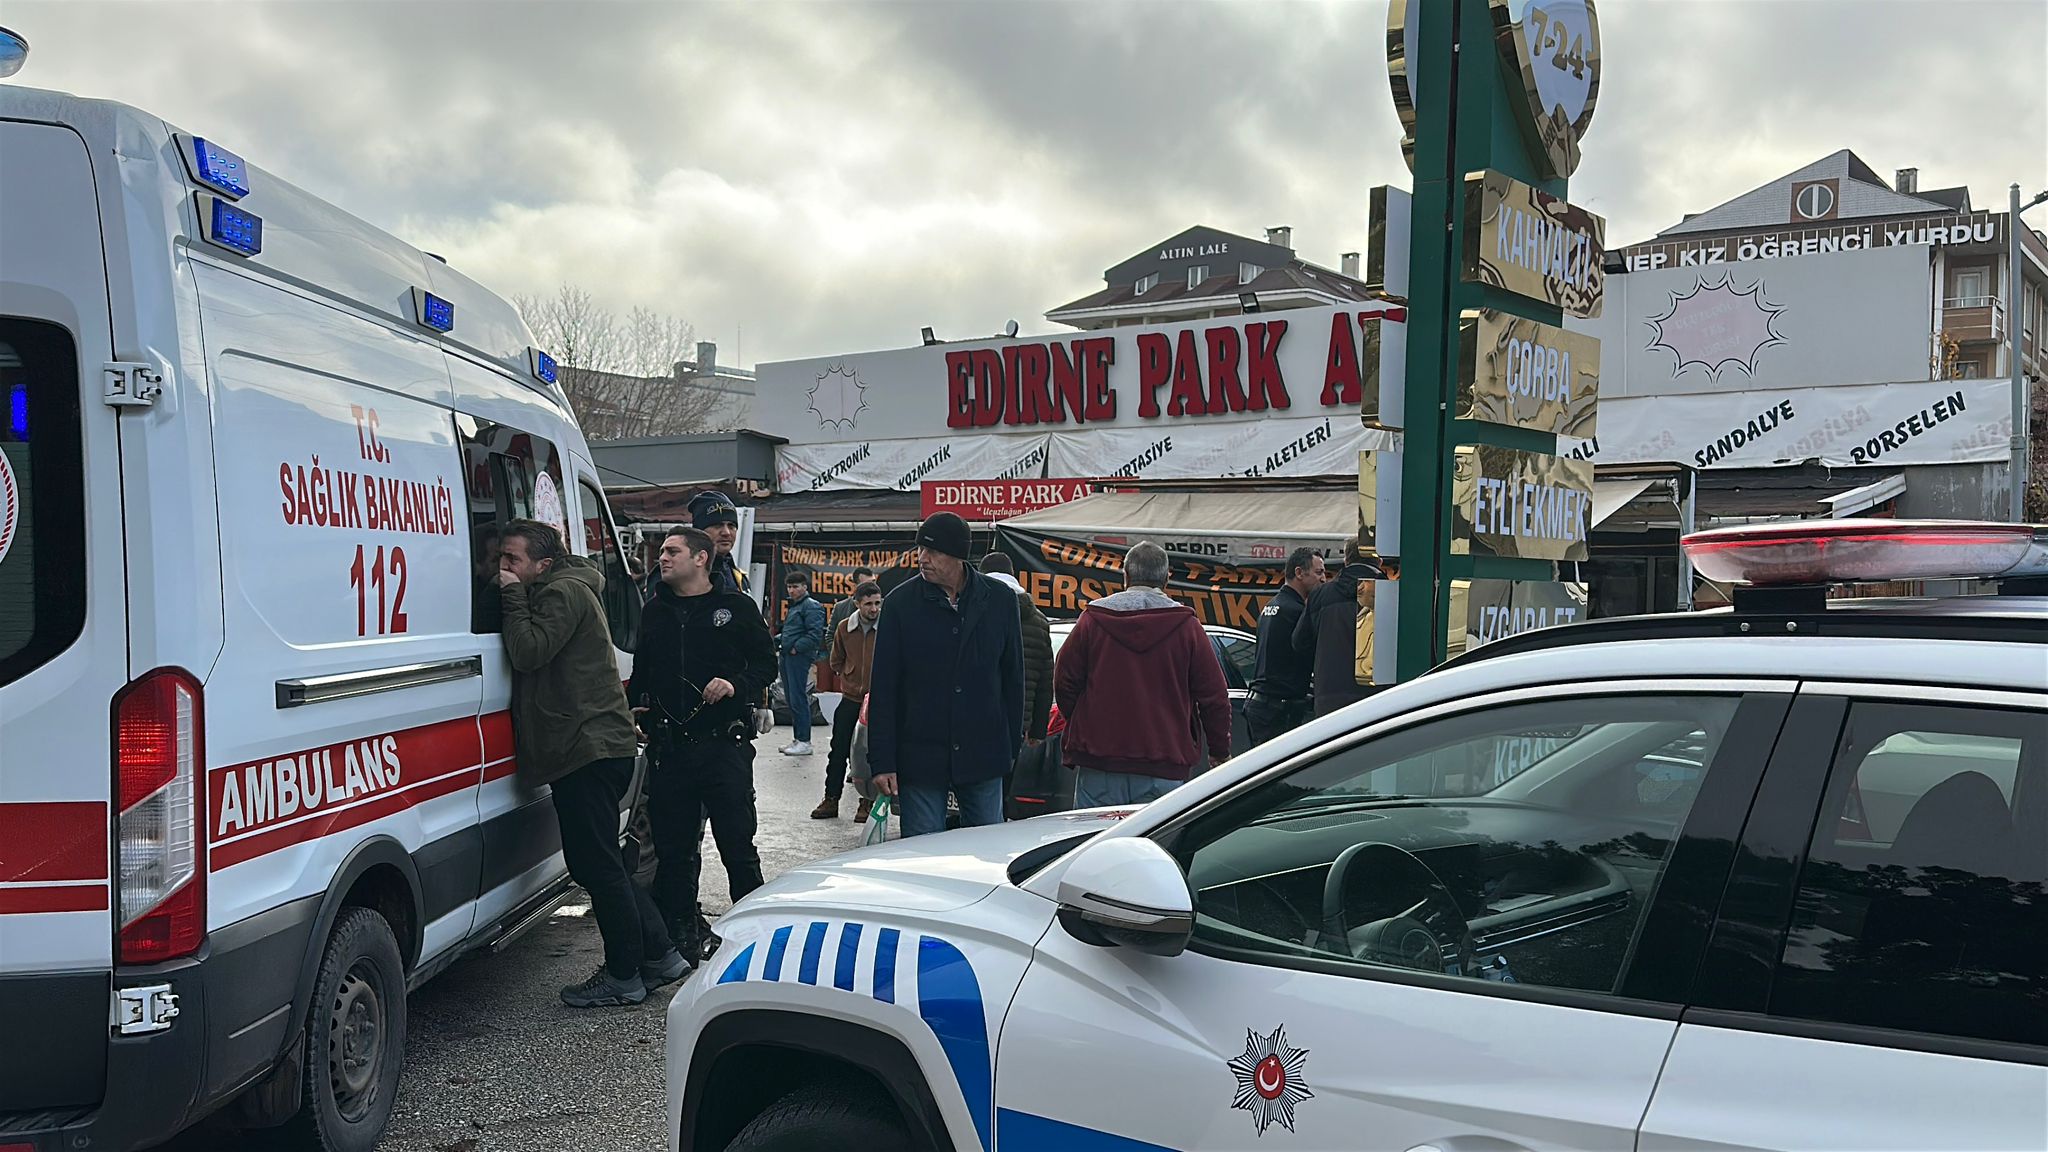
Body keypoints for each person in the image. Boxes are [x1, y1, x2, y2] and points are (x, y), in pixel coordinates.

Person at [495, 519, 686, 1008]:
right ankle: (660, 954)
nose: (504, 568)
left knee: (596, 864)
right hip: (595, 747)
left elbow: (528, 650)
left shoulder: (560, 594)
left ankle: (624, 974)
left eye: (512, 560)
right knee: (601, 861)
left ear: (543, 563)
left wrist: (512, 596)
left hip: (586, 749)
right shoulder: (571, 585)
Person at [627, 526, 777, 963]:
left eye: (673, 551)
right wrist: (636, 706)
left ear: (701, 559)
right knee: (674, 854)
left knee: (738, 847)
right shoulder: (655, 610)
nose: (663, 558)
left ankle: (757, 938)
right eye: (663, 551)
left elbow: (766, 662)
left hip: (722, 748)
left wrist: (735, 684)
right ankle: (681, 939)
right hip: (670, 750)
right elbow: (643, 668)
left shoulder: (734, 606)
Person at [867, 512, 1023, 838]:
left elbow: (1012, 679)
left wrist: (1009, 749)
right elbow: (884, 688)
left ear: (959, 556)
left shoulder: (1000, 601)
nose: (923, 559)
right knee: (925, 858)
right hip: (921, 757)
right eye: (920, 549)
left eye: (933, 551)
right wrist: (882, 761)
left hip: (983, 754)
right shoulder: (900, 605)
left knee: (986, 854)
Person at [1054, 542, 1231, 808]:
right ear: (1167, 578)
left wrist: (1085, 721)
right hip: (1164, 765)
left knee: (1094, 845)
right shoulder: (1187, 627)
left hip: (1101, 764)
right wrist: (1219, 752)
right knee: (1155, 847)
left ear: (1125, 575)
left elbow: (1064, 680)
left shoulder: (1093, 620)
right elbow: (1214, 697)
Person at [1294, 537, 1387, 718]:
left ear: (1346, 560)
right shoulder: (1392, 594)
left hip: (1329, 700)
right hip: (1378, 701)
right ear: (1379, 560)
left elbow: (1300, 643)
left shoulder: (1320, 595)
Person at [814, 580, 882, 820]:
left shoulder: (887, 626)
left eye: (877, 603)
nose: (874, 609)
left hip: (877, 701)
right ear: (857, 604)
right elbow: (836, 660)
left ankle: (867, 802)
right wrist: (849, 675)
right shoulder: (845, 628)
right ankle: (831, 799)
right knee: (838, 750)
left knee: (871, 753)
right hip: (851, 698)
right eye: (868, 604)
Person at [1245, 546, 1324, 747]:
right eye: (1319, 572)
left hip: (1260, 705)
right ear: (1299, 573)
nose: (1323, 579)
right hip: (1278, 710)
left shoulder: (1270, 606)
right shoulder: (1296, 612)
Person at [980, 552, 1053, 749]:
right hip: (1017, 724)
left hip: (974, 720)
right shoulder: (1039, 620)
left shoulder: (972, 608)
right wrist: (1038, 729)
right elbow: (1045, 682)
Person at [776, 570, 828, 756]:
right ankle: (798, 739)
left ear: (805, 587)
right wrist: (779, 640)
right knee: (791, 698)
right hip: (788, 655)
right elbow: (793, 631)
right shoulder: (795, 606)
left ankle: (805, 741)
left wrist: (795, 648)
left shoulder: (811, 606)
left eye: (796, 586)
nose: (792, 590)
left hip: (798, 657)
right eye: (789, 587)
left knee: (798, 697)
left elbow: (814, 635)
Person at [829, 567, 875, 631]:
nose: (872, 587)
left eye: (873, 582)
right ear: (855, 585)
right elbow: (830, 636)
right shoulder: (840, 608)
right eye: (867, 584)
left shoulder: (884, 606)